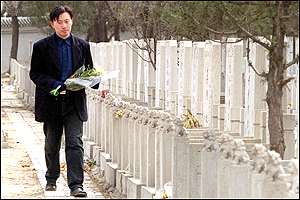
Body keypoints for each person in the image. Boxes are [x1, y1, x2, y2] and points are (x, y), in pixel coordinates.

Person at [29, 5, 97, 197]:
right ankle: (51, 177)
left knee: (75, 142)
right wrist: (54, 85)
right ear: (52, 24)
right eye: (60, 22)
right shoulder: (41, 47)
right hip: (52, 101)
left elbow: (90, 71)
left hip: (74, 102)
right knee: (52, 143)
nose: (64, 26)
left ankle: (76, 185)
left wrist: (97, 83)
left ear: (72, 21)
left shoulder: (83, 46)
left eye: (67, 21)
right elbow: (35, 73)